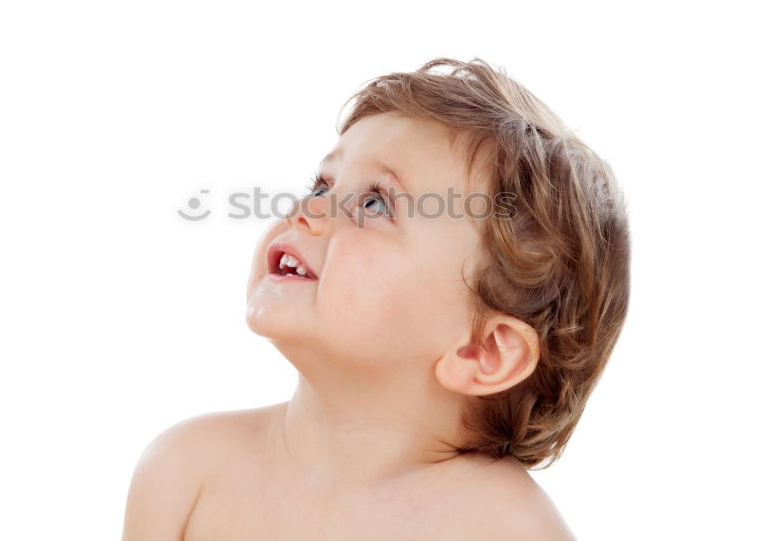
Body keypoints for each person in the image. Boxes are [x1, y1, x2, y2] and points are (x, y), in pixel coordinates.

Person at [121, 58, 631, 540]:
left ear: (482, 350)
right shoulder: (187, 471)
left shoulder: (503, 527)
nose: (307, 210)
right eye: (323, 184)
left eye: (373, 202)